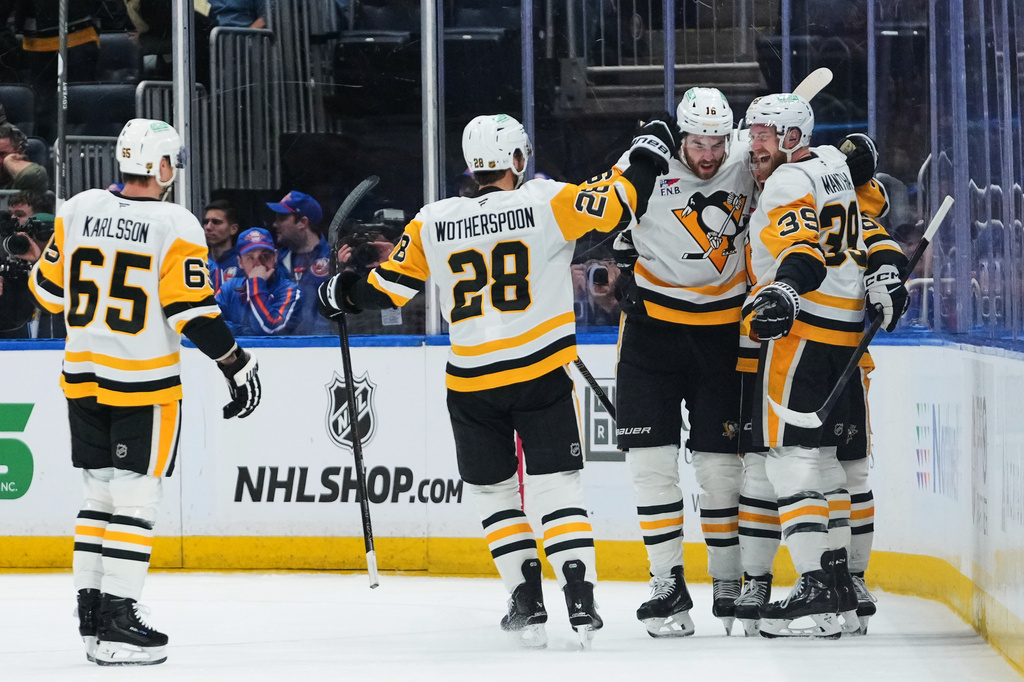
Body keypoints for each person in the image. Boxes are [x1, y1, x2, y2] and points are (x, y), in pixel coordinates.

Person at [317, 112, 680, 648]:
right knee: (558, 488)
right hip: (539, 375)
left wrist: (340, 292)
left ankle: (526, 599)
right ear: (517, 159)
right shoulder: (544, 201)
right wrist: (648, 152)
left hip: (471, 384)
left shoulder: (433, 219)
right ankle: (579, 598)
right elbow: (620, 201)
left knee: (493, 493)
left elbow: (386, 290)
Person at [27, 118, 262, 666]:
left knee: (98, 497)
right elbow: (190, 309)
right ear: (160, 166)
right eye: (172, 161)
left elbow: (48, 292)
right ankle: (117, 621)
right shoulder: (175, 222)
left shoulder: (79, 207)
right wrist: (235, 362)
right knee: (135, 501)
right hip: (141, 385)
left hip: (81, 377)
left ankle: (91, 620)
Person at [739, 93, 908, 638]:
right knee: (843, 469)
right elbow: (870, 210)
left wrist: (784, 290)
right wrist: (887, 271)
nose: (753, 142)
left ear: (792, 138)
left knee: (790, 460)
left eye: (764, 133)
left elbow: (805, 252)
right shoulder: (833, 166)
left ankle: (814, 583)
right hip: (847, 333)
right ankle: (846, 585)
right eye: (752, 130)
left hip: (805, 334)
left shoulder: (788, 184)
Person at [609, 87, 756, 637]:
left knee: (720, 465)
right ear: (682, 134)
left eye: (718, 142)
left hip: (722, 332)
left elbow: (804, 168)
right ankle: (667, 585)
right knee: (650, 464)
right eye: (699, 142)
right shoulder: (645, 161)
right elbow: (604, 216)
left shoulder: (744, 154)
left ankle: (726, 584)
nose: (710, 154)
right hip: (652, 332)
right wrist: (623, 240)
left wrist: (852, 157)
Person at [267, 189, 332, 335]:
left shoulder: (335, 259)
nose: (275, 224)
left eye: (282, 218)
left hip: (325, 348)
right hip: (278, 347)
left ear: (303, 222)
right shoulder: (274, 261)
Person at [215, 227, 302, 335]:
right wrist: (243, 332)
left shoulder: (290, 290)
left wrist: (256, 283)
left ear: (275, 257)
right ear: (240, 262)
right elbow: (210, 323)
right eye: (250, 257)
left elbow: (270, 329)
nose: (258, 263)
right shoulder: (228, 288)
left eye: (265, 256)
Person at [4, 189, 64, 337]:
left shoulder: (64, 252)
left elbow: (54, 299)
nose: (13, 220)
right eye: (10, 214)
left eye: (20, 215)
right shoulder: (8, 247)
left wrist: (38, 262)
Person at [202, 199, 242, 290]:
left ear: (233, 229)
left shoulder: (242, 263)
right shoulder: (199, 260)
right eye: (206, 222)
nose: (208, 227)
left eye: (216, 222)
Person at [0, 124, 49, 191]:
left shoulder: (25, 181)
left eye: (2, 154)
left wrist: (10, 161)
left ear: (19, 152)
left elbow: (35, 176)